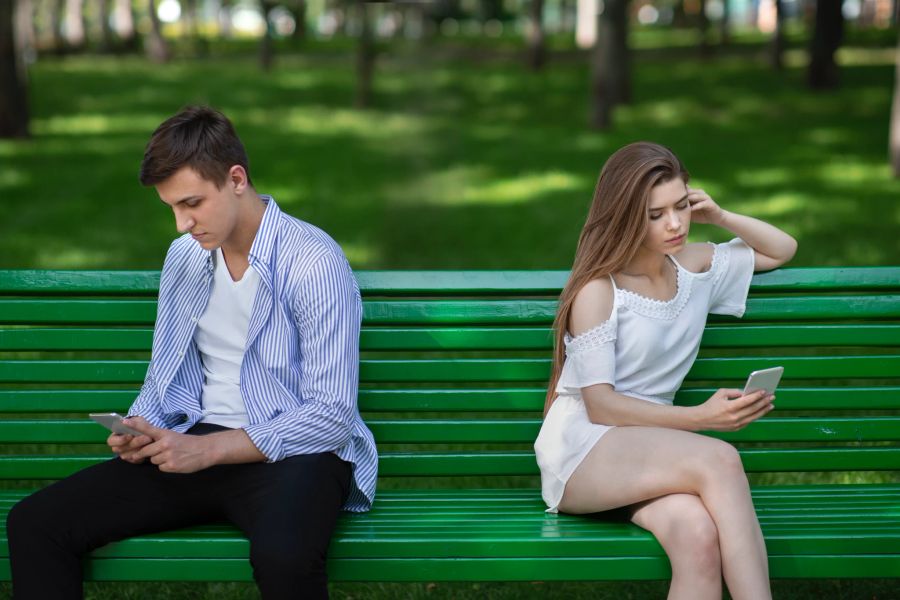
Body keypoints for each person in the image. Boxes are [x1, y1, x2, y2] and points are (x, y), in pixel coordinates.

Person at [6, 105, 378, 600]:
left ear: (237, 179)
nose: (182, 224)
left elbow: (331, 416)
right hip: (193, 445)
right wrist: (141, 427)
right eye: (172, 208)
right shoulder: (186, 256)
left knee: (284, 556)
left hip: (295, 455)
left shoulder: (313, 263)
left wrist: (208, 450)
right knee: (36, 523)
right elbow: (166, 373)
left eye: (193, 203)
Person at [534, 142, 797, 600]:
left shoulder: (695, 269)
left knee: (698, 537)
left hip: (651, 450)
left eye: (681, 206)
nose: (674, 224)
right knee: (720, 458)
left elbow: (782, 249)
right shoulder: (600, 290)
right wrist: (701, 419)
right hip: (585, 451)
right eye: (655, 215)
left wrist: (722, 217)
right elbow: (599, 405)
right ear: (624, 215)